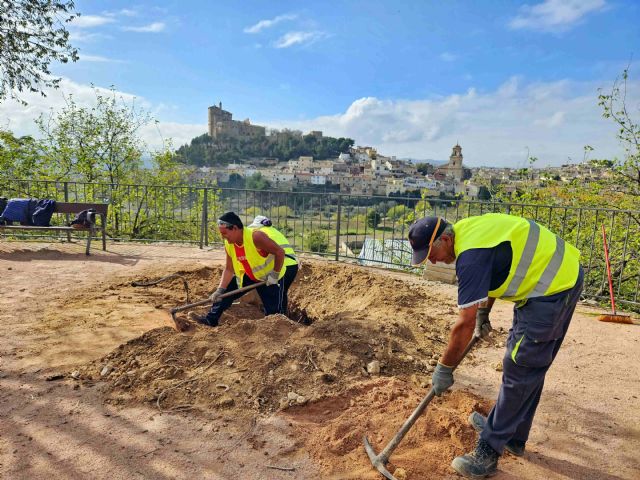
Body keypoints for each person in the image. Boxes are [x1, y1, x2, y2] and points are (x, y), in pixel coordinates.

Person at [408, 213, 583, 478]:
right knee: (526, 363)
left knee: (521, 364)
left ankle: (489, 450)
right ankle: (512, 435)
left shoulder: (470, 257)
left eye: (430, 252)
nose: (431, 260)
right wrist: (484, 313)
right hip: (547, 283)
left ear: (445, 238)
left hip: (553, 288)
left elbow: (462, 325)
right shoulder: (464, 233)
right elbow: (490, 275)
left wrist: (444, 368)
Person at [190, 212, 298, 326]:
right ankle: (210, 319)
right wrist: (220, 289)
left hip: (268, 277)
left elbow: (280, 252)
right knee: (226, 292)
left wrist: (274, 275)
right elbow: (229, 269)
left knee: (274, 315)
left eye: (224, 233)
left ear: (235, 228)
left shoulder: (255, 236)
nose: (222, 237)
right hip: (250, 274)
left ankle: (278, 332)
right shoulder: (229, 244)